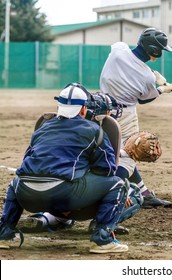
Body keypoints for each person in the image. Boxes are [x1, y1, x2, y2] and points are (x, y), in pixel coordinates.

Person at [0, 83, 134, 253]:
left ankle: (5, 232)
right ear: (83, 110)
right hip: (64, 194)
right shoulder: (93, 129)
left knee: (15, 182)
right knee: (119, 184)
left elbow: (27, 161)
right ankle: (102, 239)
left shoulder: (43, 128)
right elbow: (106, 170)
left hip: (26, 194)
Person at [99, 27, 172, 208]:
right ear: (154, 51)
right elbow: (145, 99)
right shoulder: (146, 76)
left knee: (105, 151)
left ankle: (143, 192)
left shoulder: (119, 49)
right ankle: (109, 193)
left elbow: (127, 61)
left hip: (100, 110)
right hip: (125, 115)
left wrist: (149, 72)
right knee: (129, 154)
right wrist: (162, 89)